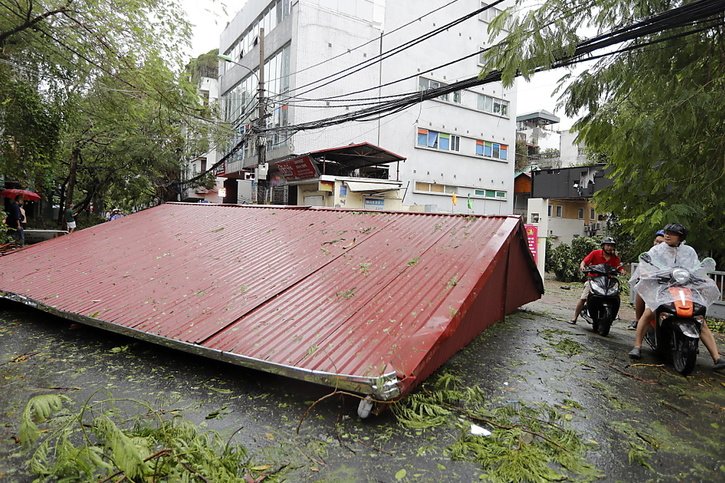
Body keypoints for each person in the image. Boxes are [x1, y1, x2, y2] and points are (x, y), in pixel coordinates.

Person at [628, 223, 725, 371]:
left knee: (699, 319)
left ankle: (716, 357)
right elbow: (647, 265)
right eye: (667, 232)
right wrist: (649, 273)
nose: (667, 235)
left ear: (680, 237)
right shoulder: (656, 250)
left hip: (685, 289)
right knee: (649, 312)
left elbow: (695, 267)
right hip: (661, 288)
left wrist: (699, 276)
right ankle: (637, 346)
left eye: (672, 233)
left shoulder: (689, 251)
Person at [569, 237, 624, 324]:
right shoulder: (595, 253)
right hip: (594, 280)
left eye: (612, 246)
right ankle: (574, 317)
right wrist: (582, 266)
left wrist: (622, 271)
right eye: (608, 245)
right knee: (583, 297)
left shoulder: (615, 258)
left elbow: (619, 267)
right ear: (603, 246)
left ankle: (614, 315)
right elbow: (584, 262)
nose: (610, 248)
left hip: (608, 281)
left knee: (616, 296)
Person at [627, 229, 666, 330]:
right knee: (641, 290)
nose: (657, 244)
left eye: (660, 242)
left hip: (669, 285)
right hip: (653, 284)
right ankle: (638, 320)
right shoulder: (650, 254)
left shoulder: (675, 255)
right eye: (656, 241)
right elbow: (642, 268)